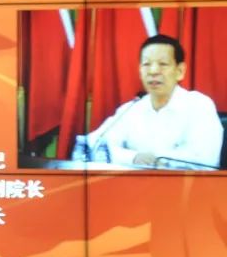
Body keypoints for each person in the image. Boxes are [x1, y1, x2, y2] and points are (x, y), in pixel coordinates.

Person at [87, 34, 223, 170]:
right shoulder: (131, 109)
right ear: (140, 70)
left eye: (163, 64)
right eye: (146, 64)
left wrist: (156, 159)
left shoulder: (198, 105)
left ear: (180, 71)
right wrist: (133, 157)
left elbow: (206, 158)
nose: (153, 71)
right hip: (134, 183)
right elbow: (94, 144)